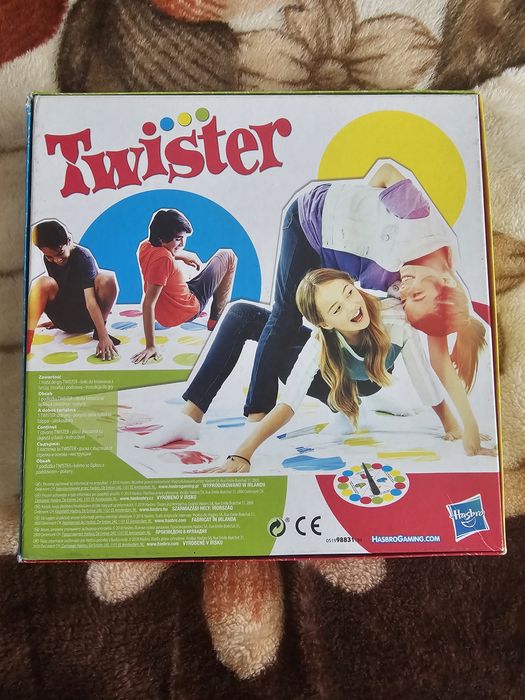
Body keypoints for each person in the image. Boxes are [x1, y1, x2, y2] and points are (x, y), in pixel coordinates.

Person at [242, 160, 489, 456]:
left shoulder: (435, 304)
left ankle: (358, 398)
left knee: (347, 319)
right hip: (312, 221)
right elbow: (386, 171)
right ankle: (256, 414)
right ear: (445, 279)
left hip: (340, 257)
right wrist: (361, 210)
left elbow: (438, 362)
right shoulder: (417, 219)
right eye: (416, 293)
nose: (404, 291)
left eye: (407, 301)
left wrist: (465, 426)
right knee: (286, 317)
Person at [137, 269, 464, 469]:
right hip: (336, 372)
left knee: (284, 354)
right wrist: (243, 454)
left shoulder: (394, 318)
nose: (352, 307)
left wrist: (453, 426)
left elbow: (424, 378)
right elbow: (289, 403)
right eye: (336, 308)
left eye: (349, 293)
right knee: (241, 314)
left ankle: (355, 403)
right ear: (324, 323)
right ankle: (189, 418)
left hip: (363, 382)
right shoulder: (320, 341)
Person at [131, 208, 237, 365]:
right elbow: (148, 303)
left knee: (191, 271)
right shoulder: (164, 260)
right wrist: (150, 346)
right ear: (161, 239)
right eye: (178, 239)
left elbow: (161, 256)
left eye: (183, 238)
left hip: (165, 311)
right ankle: (216, 319)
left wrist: (182, 255)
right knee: (228, 255)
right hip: (186, 309)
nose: (182, 244)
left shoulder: (145, 246)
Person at [27, 219, 120, 360]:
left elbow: (90, 301)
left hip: (88, 319)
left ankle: (100, 329)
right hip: (65, 319)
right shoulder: (49, 258)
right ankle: (26, 342)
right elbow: (58, 289)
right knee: (42, 282)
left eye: (60, 253)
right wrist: (57, 319)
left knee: (107, 278)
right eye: (49, 257)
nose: (56, 260)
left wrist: (103, 336)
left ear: (69, 241)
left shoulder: (83, 257)